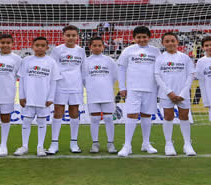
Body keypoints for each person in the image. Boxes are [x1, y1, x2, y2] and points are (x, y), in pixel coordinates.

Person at [116, 25, 161, 157]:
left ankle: (146, 143)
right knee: (132, 115)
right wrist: (122, 87)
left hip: (150, 88)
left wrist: (158, 88)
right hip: (133, 89)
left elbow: (159, 70)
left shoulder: (155, 51)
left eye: (144, 37)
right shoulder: (128, 50)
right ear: (134, 38)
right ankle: (127, 145)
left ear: (149, 38)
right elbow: (121, 69)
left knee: (147, 115)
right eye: (139, 37)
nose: (142, 39)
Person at [15, 37, 62, 157]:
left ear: (47, 47)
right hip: (29, 98)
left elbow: (54, 81)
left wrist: (51, 97)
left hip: (44, 98)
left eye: (42, 45)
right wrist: (21, 96)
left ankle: (40, 147)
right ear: (32, 47)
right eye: (37, 45)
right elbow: (22, 79)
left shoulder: (51, 62)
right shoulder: (26, 60)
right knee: (26, 122)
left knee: (42, 122)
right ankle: (24, 146)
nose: (40, 47)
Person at [154, 32, 196, 156]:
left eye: (173, 40)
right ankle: (168, 143)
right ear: (163, 43)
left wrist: (183, 93)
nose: (170, 43)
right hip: (166, 94)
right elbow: (157, 76)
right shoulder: (160, 58)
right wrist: (169, 92)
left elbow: (190, 75)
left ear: (177, 42)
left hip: (183, 93)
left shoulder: (185, 57)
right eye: (167, 41)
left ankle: (187, 144)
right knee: (168, 116)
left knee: (184, 116)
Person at [48, 25, 87, 155]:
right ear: (63, 36)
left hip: (76, 86)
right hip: (60, 85)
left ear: (77, 36)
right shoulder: (57, 50)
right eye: (68, 35)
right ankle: (54, 143)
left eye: (73, 35)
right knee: (58, 112)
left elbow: (83, 69)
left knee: (74, 112)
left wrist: (85, 85)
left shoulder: (81, 51)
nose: (71, 38)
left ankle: (74, 142)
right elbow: (52, 69)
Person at [81, 36, 118, 154]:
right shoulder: (86, 61)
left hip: (107, 93)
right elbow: (83, 78)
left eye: (99, 45)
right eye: (94, 45)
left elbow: (114, 76)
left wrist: (106, 85)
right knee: (95, 118)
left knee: (108, 118)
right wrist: (92, 87)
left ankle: (110, 143)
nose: (97, 47)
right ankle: (95, 143)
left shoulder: (109, 60)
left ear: (103, 46)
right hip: (93, 94)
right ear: (90, 47)